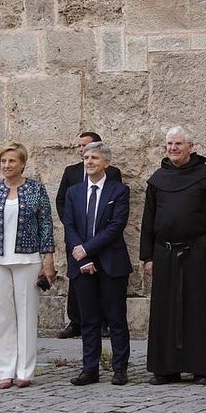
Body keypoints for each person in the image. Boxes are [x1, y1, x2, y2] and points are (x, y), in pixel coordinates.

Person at [139, 126, 206, 385]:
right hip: (165, 253)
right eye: (169, 144)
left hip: (200, 253)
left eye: (178, 143)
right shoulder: (157, 179)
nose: (173, 148)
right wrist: (148, 256)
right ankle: (166, 368)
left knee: (199, 310)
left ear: (190, 146)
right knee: (165, 312)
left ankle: (201, 368)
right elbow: (148, 220)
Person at [0, 142, 57, 389]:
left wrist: (48, 260)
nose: (6, 166)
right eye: (3, 161)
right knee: (1, 316)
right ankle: (5, 370)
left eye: (11, 161)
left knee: (27, 314)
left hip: (28, 258)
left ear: (22, 163)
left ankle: (25, 370)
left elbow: (45, 226)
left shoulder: (36, 190)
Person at [63, 141, 132, 387]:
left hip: (111, 262)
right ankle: (89, 368)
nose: (89, 162)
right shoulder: (74, 192)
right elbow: (69, 226)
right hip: (83, 264)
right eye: (86, 158)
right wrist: (83, 257)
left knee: (116, 318)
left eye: (94, 158)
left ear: (106, 163)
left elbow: (115, 226)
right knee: (89, 320)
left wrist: (87, 250)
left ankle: (120, 368)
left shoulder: (119, 191)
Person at [54, 130, 123, 339]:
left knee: (103, 281)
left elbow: (114, 207)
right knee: (77, 281)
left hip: (102, 239)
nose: (82, 150)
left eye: (86, 146)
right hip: (77, 238)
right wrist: (71, 226)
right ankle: (75, 321)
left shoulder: (113, 173)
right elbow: (61, 200)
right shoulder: (71, 171)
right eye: (80, 148)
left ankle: (101, 322)